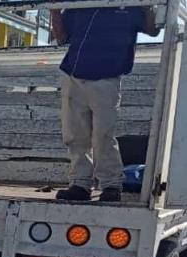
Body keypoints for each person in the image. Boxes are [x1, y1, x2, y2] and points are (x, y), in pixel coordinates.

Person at [52, 5, 159, 202]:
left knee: (104, 135)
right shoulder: (79, 5)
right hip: (74, 74)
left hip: (107, 77)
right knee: (75, 135)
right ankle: (80, 184)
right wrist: (54, 9)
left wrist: (148, 7)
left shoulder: (129, 6)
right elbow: (61, 37)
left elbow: (152, 30)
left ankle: (111, 185)